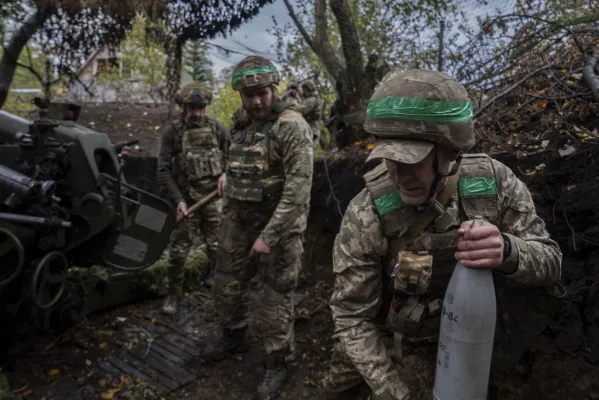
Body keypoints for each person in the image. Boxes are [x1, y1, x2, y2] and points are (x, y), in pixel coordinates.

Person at [321, 69, 563, 400]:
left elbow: (551, 263)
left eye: (412, 161)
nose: (397, 174)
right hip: (403, 341)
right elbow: (351, 315)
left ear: (450, 151)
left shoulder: (494, 184)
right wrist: (393, 390)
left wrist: (508, 250)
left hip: (479, 339)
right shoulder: (368, 212)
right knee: (338, 386)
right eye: (388, 158)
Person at [203, 56, 314, 400]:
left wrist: (270, 235)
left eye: (262, 93)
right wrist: (226, 174)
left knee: (275, 296)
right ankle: (233, 335)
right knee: (226, 281)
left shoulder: (291, 126)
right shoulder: (240, 121)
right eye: (248, 95)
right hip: (239, 218)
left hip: (279, 226)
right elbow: (236, 156)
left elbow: (298, 188)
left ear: (273, 89)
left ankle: (277, 361)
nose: (256, 101)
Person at [156, 84, 229, 316]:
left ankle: (219, 291)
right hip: (187, 201)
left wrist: (227, 174)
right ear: (183, 107)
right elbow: (163, 170)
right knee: (178, 252)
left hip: (214, 201)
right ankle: (173, 295)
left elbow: (235, 157)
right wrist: (178, 200)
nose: (196, 113)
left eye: (200, 108)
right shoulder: (172, 132)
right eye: (191, 108)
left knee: (218, 248)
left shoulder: (217, 129)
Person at [296, 79, 325, 152]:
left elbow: (302, 110)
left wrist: (290, 106)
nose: (303, 91)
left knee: (308, 151)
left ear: (308, 88)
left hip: (312, 128)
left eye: (304, 89)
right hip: (309, 128)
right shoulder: (310, 98)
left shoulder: (312, 100)